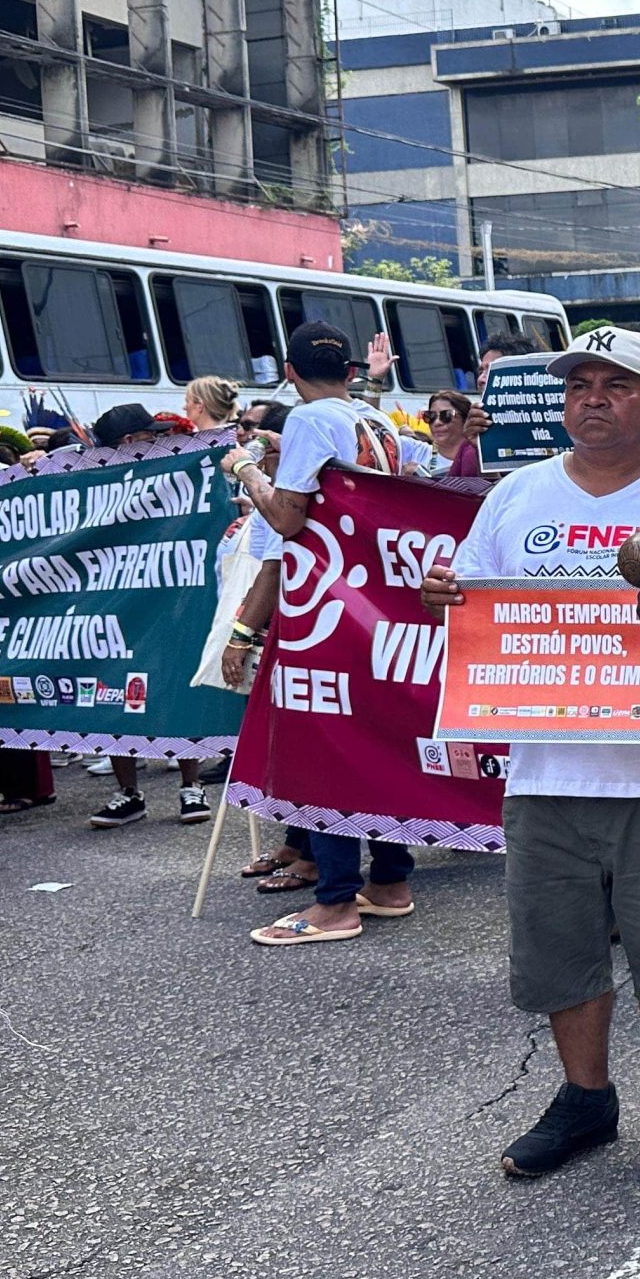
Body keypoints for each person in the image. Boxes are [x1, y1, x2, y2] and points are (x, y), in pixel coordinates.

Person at [421, 325, 640, 1188]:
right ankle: (585, 1097)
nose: (591, 398)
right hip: (544, 771)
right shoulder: (516, 495)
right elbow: (471, 601)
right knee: (559, 948)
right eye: (578, 386)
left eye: (615, 384)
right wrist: (442, 594)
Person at [222, 320, 419, 947]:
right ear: (352, 371)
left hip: (326, 607)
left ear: (289, 371)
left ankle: (335, 903)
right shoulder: (378, 421)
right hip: (379, 600)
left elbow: (288, 516)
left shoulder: (309, 421)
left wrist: (248, 472)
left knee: (328, 749)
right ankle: (389, 881)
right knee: (377, 742)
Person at [79, 404, 210, 828]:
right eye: (150, 435)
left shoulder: (180, 475)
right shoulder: (96, 485)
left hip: (173, 603)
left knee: (177, 691)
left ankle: (192, 787)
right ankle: (128, 794)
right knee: (112, 694)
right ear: (130, 442)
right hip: (117, 606)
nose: (160, 439)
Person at [423, 390, 483, 476]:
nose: (437, 423)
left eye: (446, 415)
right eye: (431, 416)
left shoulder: (476, 455)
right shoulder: (417, 452)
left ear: (466, 419)